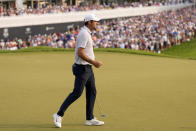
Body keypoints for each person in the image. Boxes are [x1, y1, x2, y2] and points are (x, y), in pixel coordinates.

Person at [53, 14, 104, 128]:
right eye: (95, 21)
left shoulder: (87, 33)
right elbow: (80, 53)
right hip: (82, 68)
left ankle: (89, 118)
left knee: (92, 92)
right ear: (89, 22)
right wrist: (94, 62)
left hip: (87, 68)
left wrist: (91, 64)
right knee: (77, 93)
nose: (97, 23)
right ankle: (58, 114)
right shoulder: (84, 34)